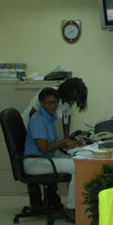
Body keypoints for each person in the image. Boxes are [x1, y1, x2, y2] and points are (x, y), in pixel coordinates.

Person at [21, 77, 88, 208]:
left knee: (57, 158)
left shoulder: (52, 112)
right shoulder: (45, 105)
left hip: (41, 141)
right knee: (43, 159)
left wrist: (68, 140)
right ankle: (37, 204)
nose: (53, 105)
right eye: (49, 103)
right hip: (30, 131)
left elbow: (66, 119)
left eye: (54, 103)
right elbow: (34, 117)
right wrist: (37, 134)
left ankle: (52, 200)